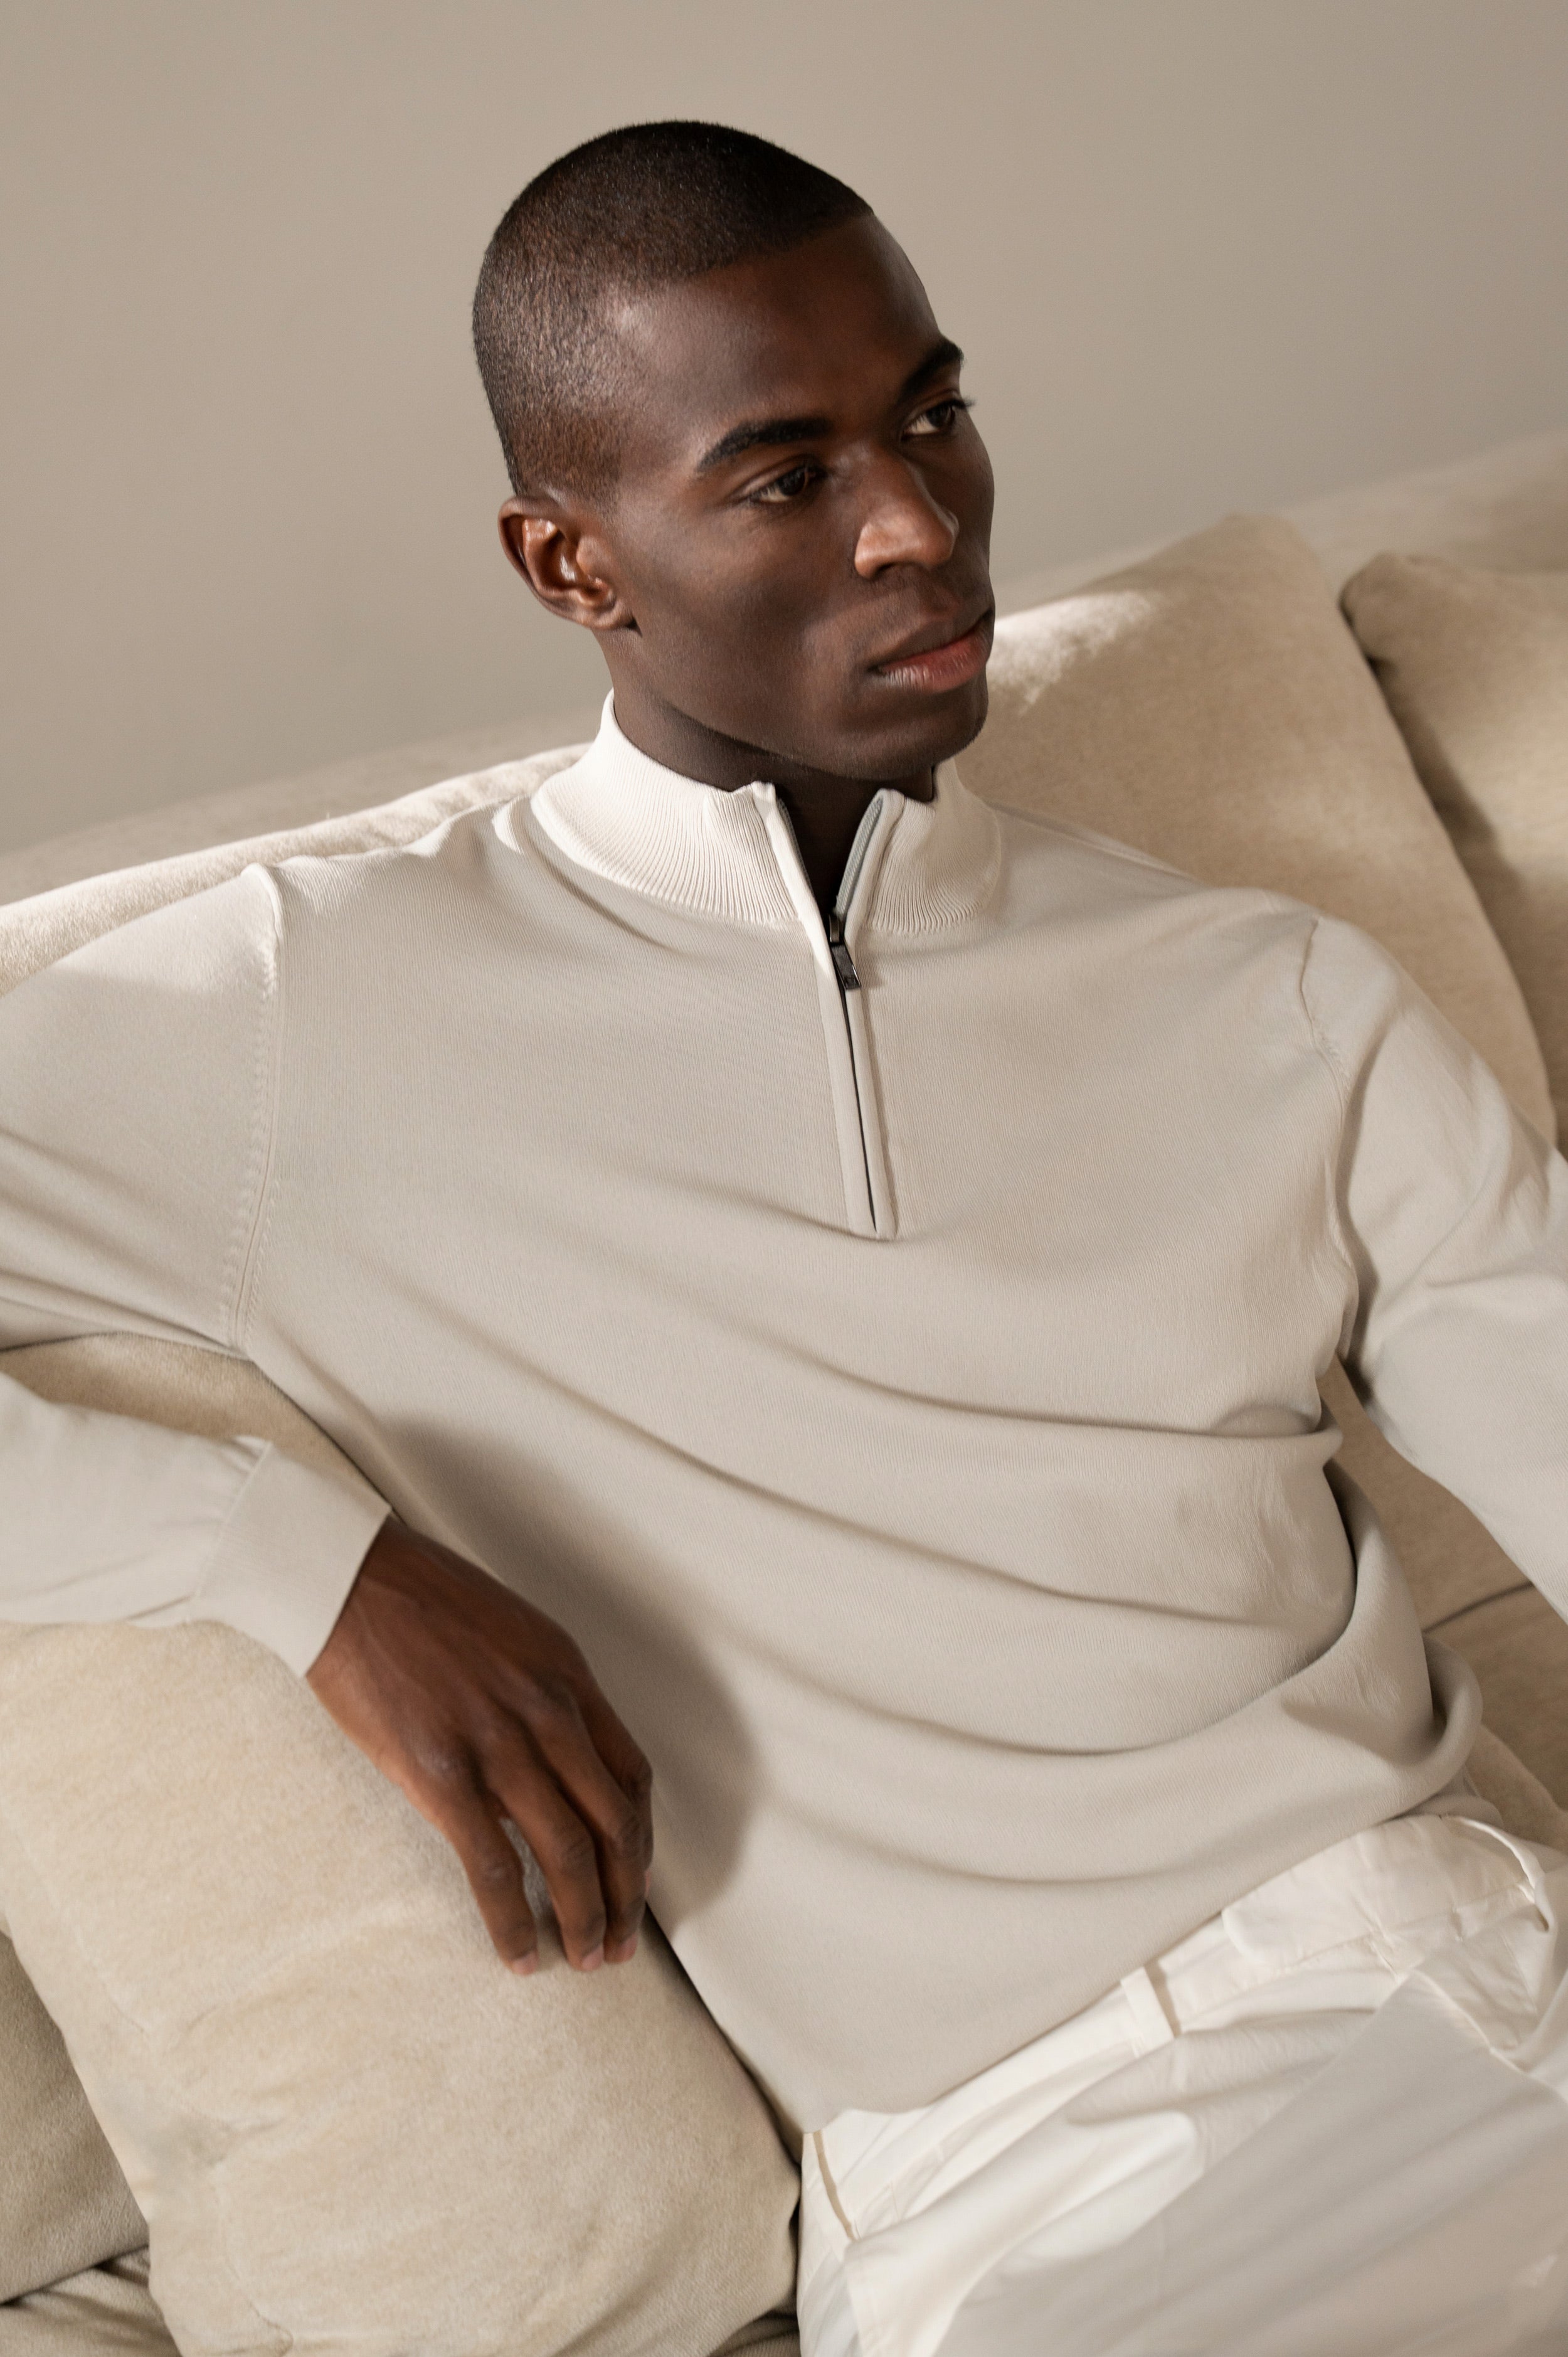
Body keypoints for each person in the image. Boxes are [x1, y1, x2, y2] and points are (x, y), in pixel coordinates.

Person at [3, 119, 1567, 2355]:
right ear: (572, 562)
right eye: (786, 474)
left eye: (931, 414)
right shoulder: (282, 1018)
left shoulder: (1270, 998)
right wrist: (289, 1561)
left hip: (1471, 2000)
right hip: (1018, 2209)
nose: (917, 522)